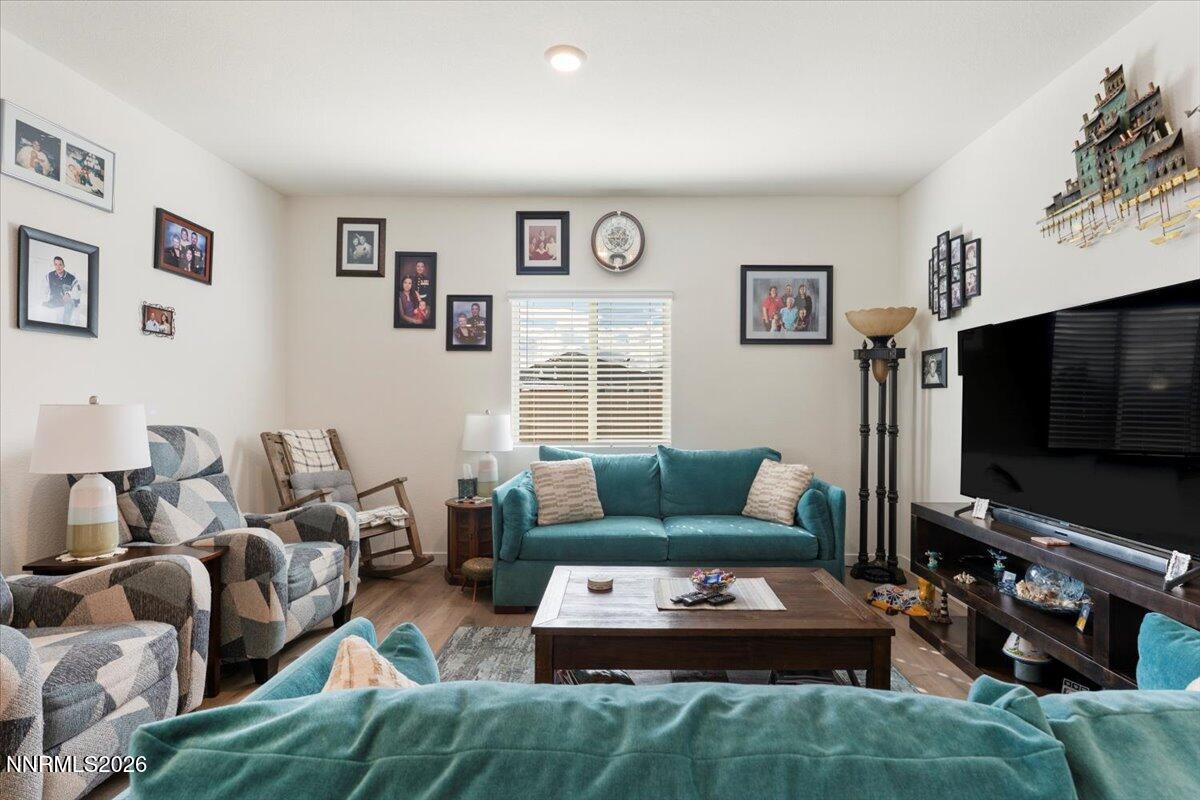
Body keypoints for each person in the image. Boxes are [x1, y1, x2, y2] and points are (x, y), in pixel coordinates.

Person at [43, 256, 78, 325]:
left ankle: (66, 325)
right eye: (56, 264)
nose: (58, 267)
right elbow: (44, 289)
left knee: (69, 304)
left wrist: (69, 294)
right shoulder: (49, 276)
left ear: (64, 265)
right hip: (54, 300)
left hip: (67, 302)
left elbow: (77, 291)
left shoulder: (72, 278)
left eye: (60, 264)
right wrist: (45, 298)